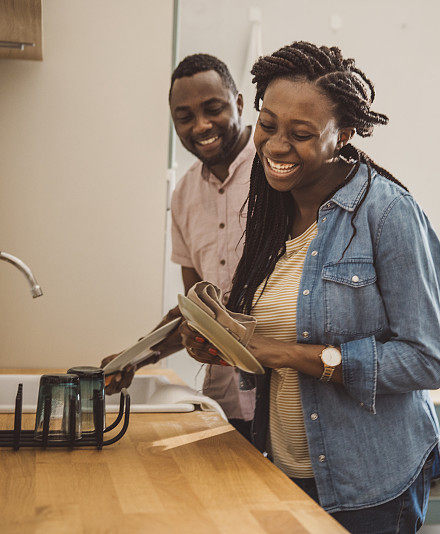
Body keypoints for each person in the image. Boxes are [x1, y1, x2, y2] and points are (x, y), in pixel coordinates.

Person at [179, 42, 440, 533]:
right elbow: (272, 333)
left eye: (301, 134)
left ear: (342, 135)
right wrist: (225, 346)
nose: (277, 146)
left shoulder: (387, 214)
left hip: (368, 485)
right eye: (268, 125)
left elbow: (427, 360)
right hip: (283, 468)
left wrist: (290, 354)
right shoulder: (270, 212)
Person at [102, 53, 255, 437]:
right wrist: (133, 358)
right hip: (224, 405)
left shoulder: (275, 171)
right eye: (184, 116)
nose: (200, 125)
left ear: (238, 103)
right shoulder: (185, 194)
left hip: (282, 406)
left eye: (213, 108)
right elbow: (195, 308)